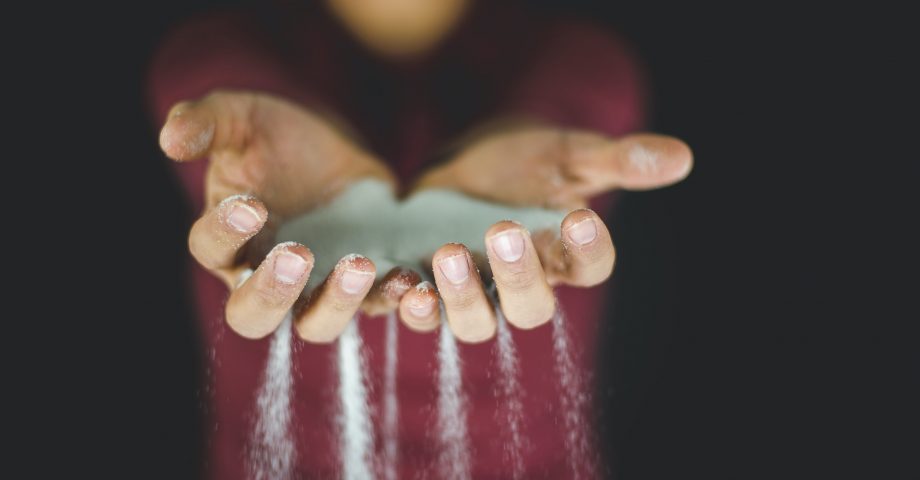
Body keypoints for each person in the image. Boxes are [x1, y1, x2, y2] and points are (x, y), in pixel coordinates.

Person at [149, 0, 692, 477]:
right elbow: (216, 91)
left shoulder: (578, 58)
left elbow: (578, 91)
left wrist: (512, 140)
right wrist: (258, 146)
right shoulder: (219, 51)